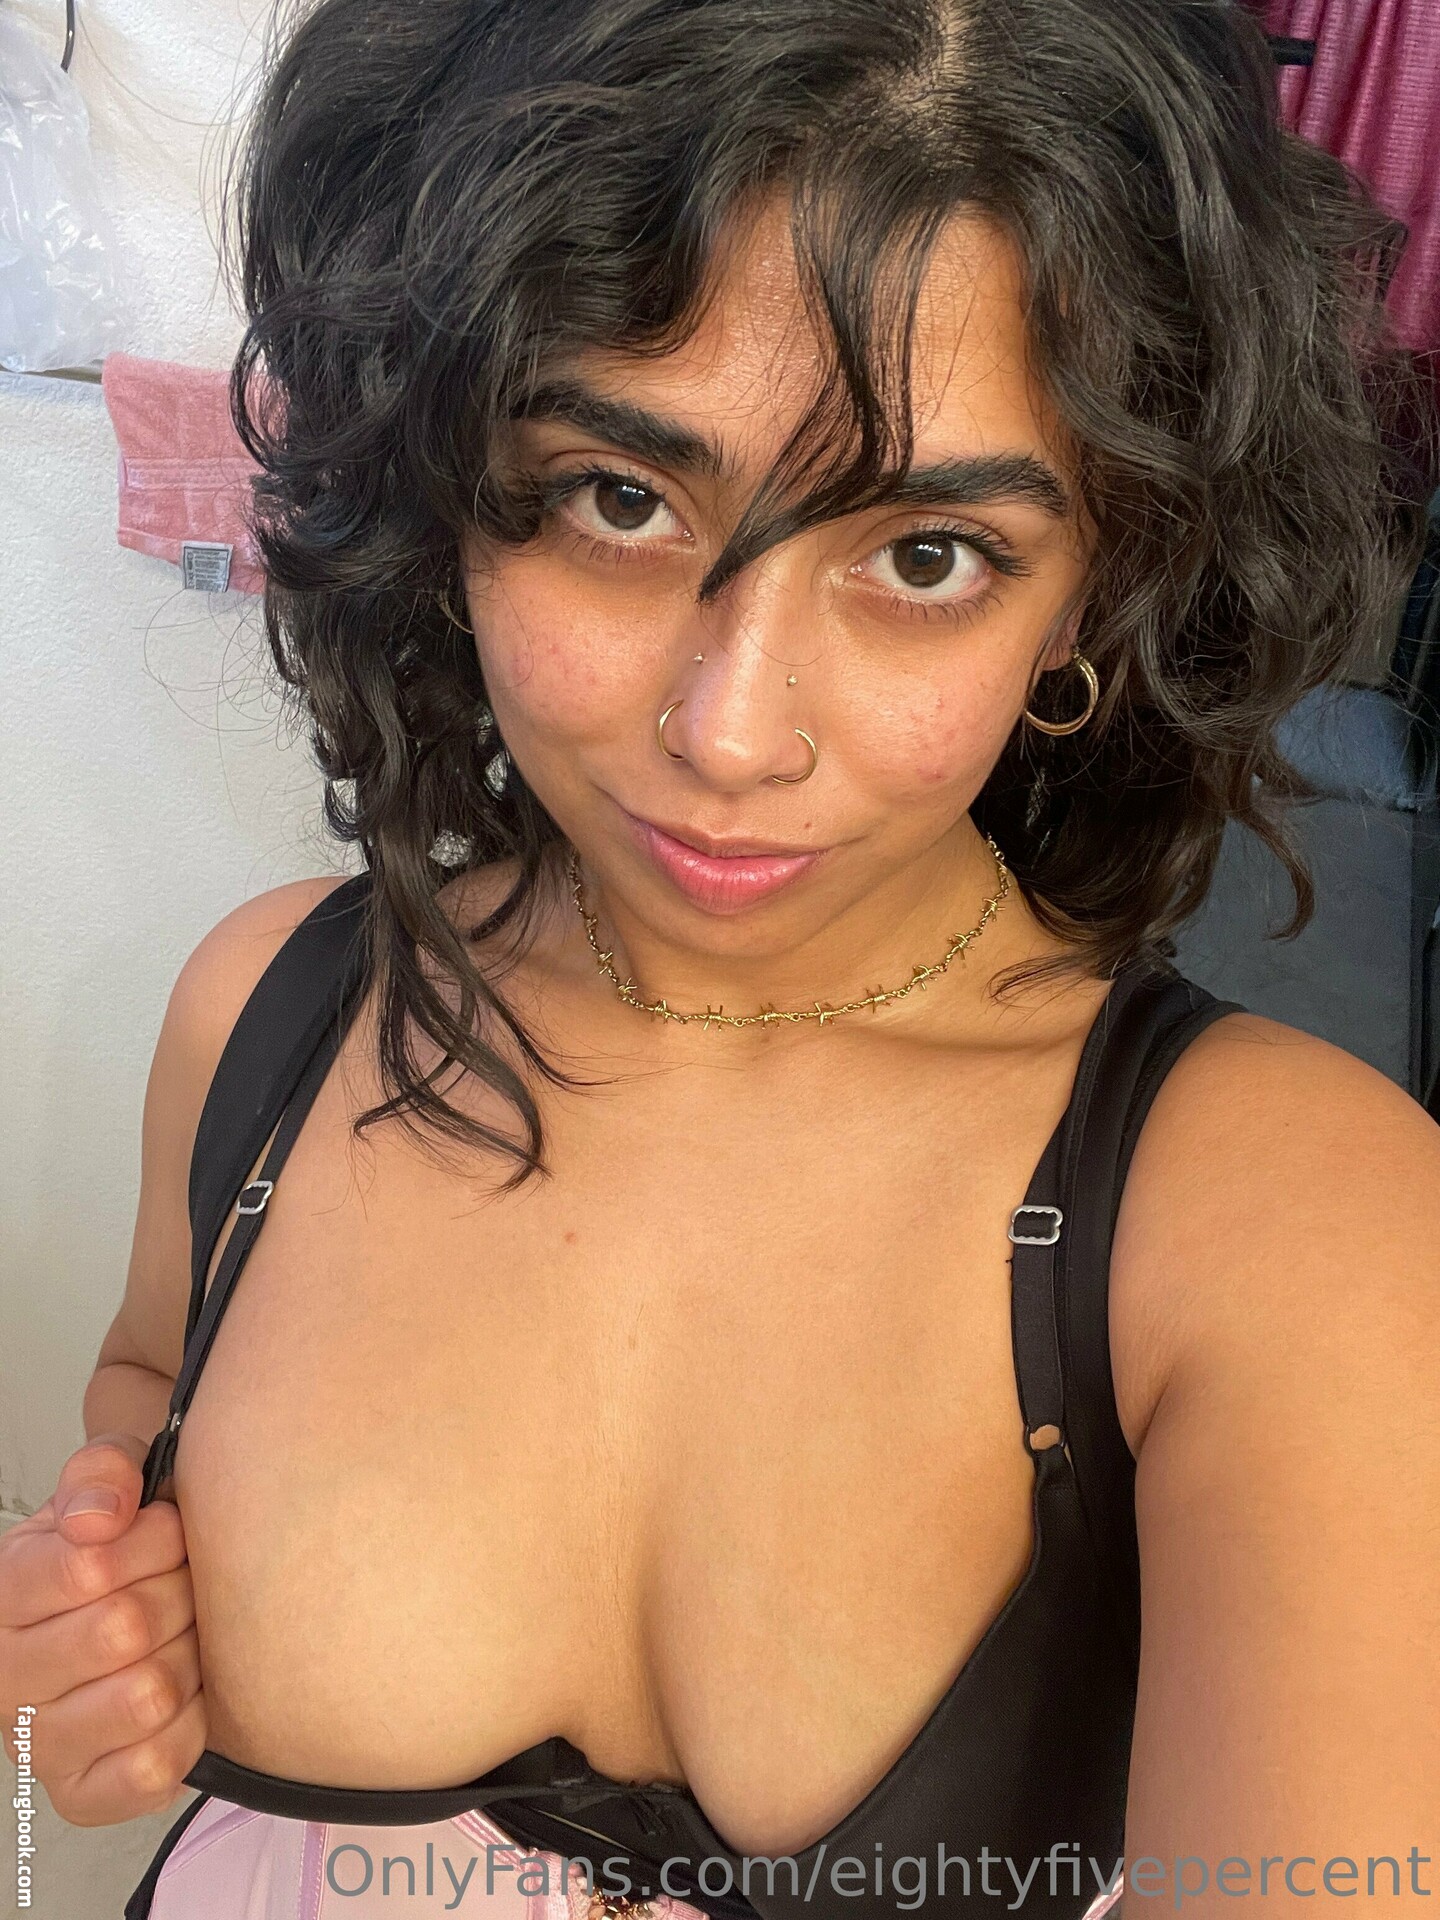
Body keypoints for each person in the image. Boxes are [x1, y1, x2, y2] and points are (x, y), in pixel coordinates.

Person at [3, 0, 1439, 1914]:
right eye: (620, 499)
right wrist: (89, 1646)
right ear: (444, 475)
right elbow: (141, 1391)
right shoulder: (267, 1013)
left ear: (1095, 583)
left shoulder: (1291, 1229)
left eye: (924, 555)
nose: (733, 732)